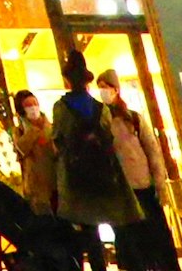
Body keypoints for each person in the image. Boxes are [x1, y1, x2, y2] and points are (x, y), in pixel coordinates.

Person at [49, 69, 131, 271]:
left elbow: (58, 139)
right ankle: (112, 264)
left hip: (76, 176)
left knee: (84, 229)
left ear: (67, 80)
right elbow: (108, 137)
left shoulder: (61, 108)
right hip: (102, 173)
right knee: (110, 223)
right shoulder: (99, 108)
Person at [95, 77, 173, 271]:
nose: (103, 91)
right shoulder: (100, 121)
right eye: (100, 88)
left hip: (143, 186)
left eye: (106, 87)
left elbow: (152, 151)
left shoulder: (134, 118)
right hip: (120, 190)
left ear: (116, 89)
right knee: (129, 241)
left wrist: (159, 181)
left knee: (154, 236)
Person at [5, 90, 59, 218]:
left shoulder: (51, 127)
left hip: (56, 183)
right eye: (28, 105)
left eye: (34, 103)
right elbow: (20, 149)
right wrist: (33, 130)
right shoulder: (19, 131)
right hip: (36, 188)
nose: (33, 108)